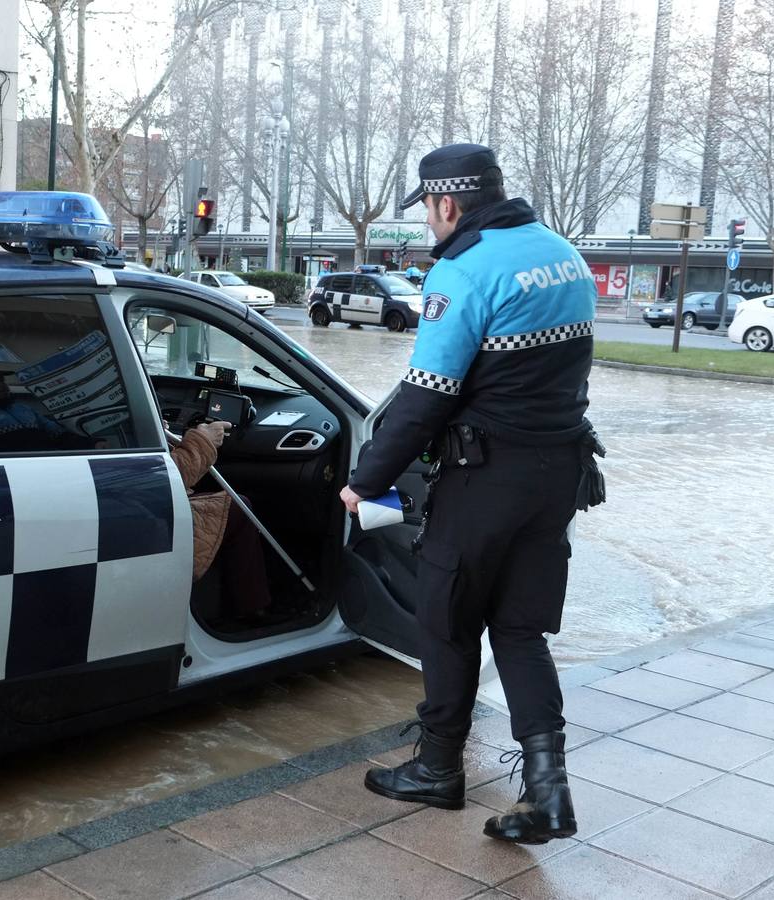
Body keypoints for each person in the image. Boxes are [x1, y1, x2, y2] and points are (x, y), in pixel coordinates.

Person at [339, 143, 604, 845]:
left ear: (446, 203)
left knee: (446, 619)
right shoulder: (564, 256)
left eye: (427, 209)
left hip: (484, 478)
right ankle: (549, 794)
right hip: (559, 476)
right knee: (520, 630)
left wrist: (364, 481)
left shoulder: (462, 272)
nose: (429, 223)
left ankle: (436, 768)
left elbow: (426, 397)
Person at [170, 420, 275, 626]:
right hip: (145, 518)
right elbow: (167, 476)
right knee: (238, 507)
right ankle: (252, 610)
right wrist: (203, 441)